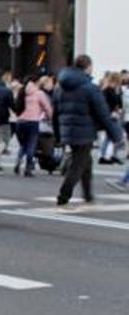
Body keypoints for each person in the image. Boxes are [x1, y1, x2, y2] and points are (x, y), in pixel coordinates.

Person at [55, 55, 125, 211]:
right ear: (87, 67)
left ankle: (88, 196)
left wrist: (58, 135)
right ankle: (63, 196)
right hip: (84, 131)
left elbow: (56, 112)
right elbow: (103, 113)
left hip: (68, 129)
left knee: (86, 163)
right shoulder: (90, 88)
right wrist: (116, 135)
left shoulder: (61, 87)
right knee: (78, 165)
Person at [13, 74, 52, 177]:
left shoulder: (22, 92)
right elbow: (47, 107)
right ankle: (27, 167)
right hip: (33, 121)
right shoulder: (39, 93)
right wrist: (49, 117)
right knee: (31, 145)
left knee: (23, 145)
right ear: (36, 82)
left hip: (20, 121)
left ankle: (18, 161)